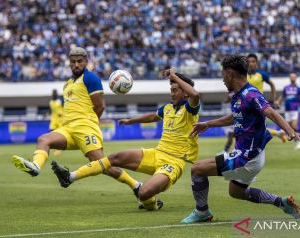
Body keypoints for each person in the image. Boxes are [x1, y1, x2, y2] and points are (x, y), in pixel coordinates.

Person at [50, 69, 200, 211]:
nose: (172, 94)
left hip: (173, 162)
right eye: (171, 90)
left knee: (143, 193)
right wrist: (131, 121)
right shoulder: (167, 108)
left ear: (185, 94)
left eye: (175, 90)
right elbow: (153, 116)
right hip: (157, 153)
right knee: (115, 157)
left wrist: (175, 77)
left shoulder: (190, 110)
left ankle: (152, 204)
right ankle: (70, 177)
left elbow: (195, 95)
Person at [181, 55, 300, 224]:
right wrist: (208, 124)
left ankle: (202, 211)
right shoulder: (238, 95)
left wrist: (291, 131)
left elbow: (270, 112)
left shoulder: (251, 93)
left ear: (230, 74)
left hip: (247, 157)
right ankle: (281, 202)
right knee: (236, 192)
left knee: (197, 169)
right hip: (251, 155)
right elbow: (235, 117)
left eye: (223, 74)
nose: (222, 78)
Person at [12, 47, 140, 197]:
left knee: (102, 164)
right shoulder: (67, 84)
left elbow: (100, 106)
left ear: (86, 62)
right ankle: (36, 166)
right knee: (44, 139)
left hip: (85, 127)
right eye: (73, 62)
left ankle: (136, 186)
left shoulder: (91, 78)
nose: (76, 64)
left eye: (80, 61)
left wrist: (90, 124)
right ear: (69, 63)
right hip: (68, 129)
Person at [247, 53, 287, 143]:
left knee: (252, 128)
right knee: (254, 128)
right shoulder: (243, 75)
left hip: (258, 104)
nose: (251, 64)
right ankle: (278, 133)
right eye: (249, 62)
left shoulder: (261, 74)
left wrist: (274, 99)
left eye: (253, 62)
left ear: (256, 63)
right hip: (246, 104)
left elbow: (272, 84)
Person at [275, 73, 300, 150]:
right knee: (288, 127)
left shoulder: (299, 88)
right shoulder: (286, 88)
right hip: (287, 109)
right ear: (289, 78)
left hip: (295, 109)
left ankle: (298, 142)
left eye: (294, 77)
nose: (292, 78)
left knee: (294, 126)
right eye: (291, 76)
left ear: (296, 78)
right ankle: (283, 135)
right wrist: (278, 101)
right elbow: (282, 96)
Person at [48, 89, 63, 156]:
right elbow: (50, 110)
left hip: (60, 120)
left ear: (57, 94)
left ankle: (58, 149)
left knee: (60, 135)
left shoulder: (60, 101)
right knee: (52, 134)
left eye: (55, 93)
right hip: (53, 120)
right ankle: (54, 147)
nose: (54, 95)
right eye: (53, 93)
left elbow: (64, 108)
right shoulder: (51, 102)